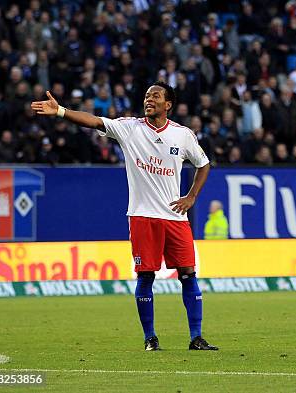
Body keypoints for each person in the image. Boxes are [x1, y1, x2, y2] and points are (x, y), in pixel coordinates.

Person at [31, 82, 218, 351]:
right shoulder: (130, 128)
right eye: (146, 95)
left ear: (169, 105)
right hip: (142, 216)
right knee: (146, 276)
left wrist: (191, 197)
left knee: (188, 273)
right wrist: (60, 111)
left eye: (155, 96)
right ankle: (150, 339)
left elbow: (203, 164)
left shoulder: (183, 135)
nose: (149, 99)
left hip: (175, 218)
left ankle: (196, 337)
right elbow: (94, 122)